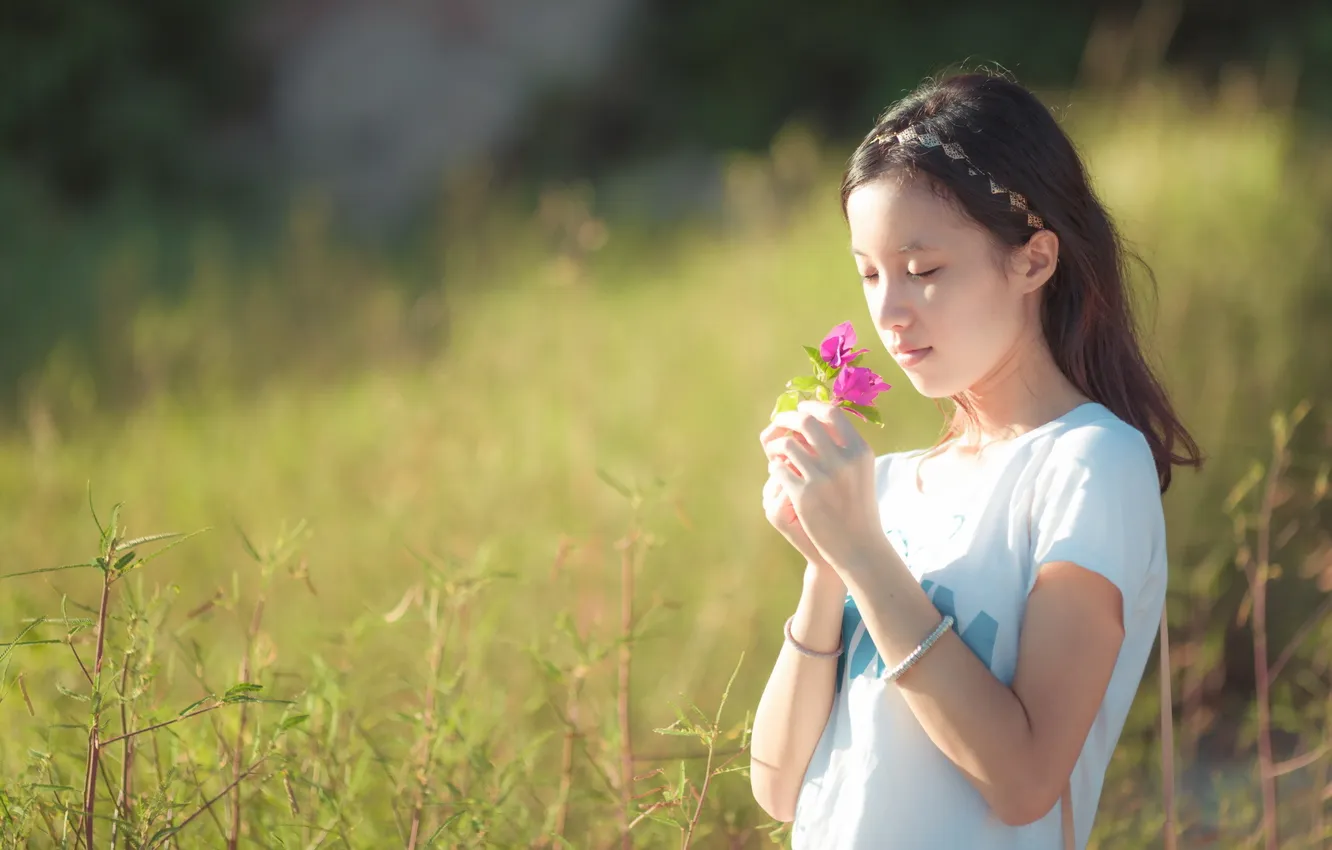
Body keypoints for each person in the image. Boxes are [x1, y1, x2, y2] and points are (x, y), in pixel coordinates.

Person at [749, 70, 1204, 849]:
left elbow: (1025, 782)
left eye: (923, 271)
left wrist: (863, 551)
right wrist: (827, 564)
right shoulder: (884, 486)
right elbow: (778, 787)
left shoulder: (1091, 465)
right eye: (869, 274)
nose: (889, 313)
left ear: (1033, 261)